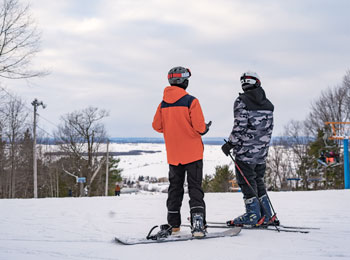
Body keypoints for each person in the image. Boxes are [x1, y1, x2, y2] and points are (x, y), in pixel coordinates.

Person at [152, 66, 211, 237]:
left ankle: (173, 225)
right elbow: (199, 128)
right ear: (185, 81)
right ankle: (198, 225)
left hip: (174, 155)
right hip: (192, 154)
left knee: (175, 188)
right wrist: (204, 129)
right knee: (195, 188)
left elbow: (157, 126)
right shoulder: (191, 101)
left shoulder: (163, 104)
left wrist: (173, 128)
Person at [221, 71, 274, 226]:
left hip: (245, 152)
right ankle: (267, 214)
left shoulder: (241, 101)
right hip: (261, 152)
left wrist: (230, 144)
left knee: (246, 181)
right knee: (258, 180)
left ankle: (253, 215)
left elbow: (240, 126)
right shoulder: (268, 104)